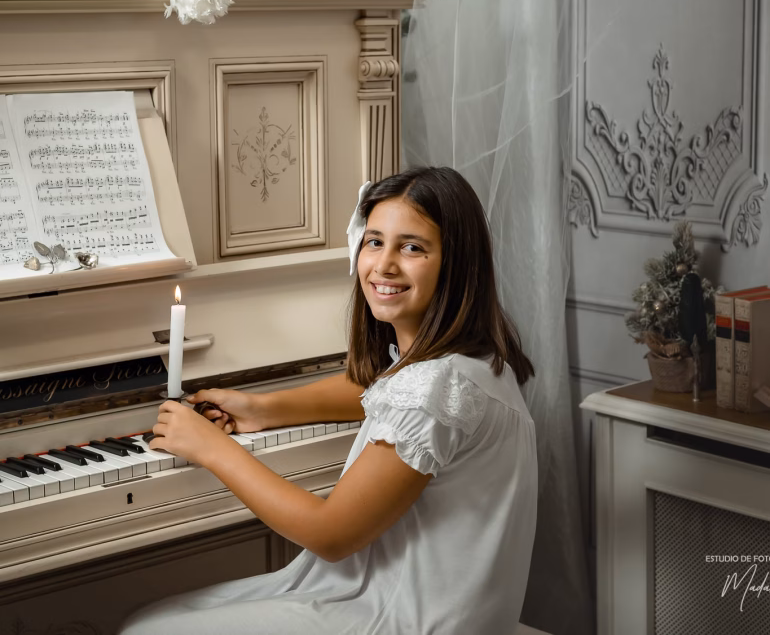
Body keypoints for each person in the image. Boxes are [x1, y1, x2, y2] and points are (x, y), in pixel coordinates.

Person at [119, 166, 537, 635]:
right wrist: (264, 407)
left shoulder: (432, 386)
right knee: (159, 619)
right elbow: (379, 388)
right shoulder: (469, 361)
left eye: (413, 247)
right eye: (375, 241)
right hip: (456, 610)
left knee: (146, 628)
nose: (383, 265)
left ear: (457, 264)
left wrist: (212, 449)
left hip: (408, 619)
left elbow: (331, 535)